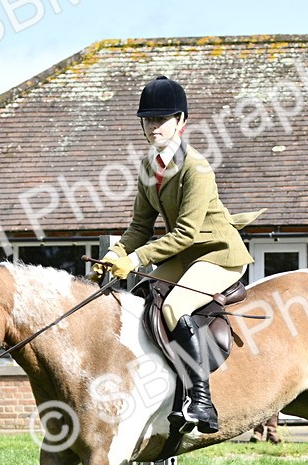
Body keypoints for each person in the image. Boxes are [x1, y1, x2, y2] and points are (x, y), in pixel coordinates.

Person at [92, 76, 262, 434]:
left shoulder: (196, 168)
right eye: (148, 120)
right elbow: (140, 226)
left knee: (173, 307)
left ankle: (201, 401)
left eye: (162, 119)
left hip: (218, 253)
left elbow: (185, 232)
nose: (154, 126)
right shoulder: (146, 167)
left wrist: (135, 261)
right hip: (186, 253)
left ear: (181, 122)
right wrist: (116, 254)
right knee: (139, 299)